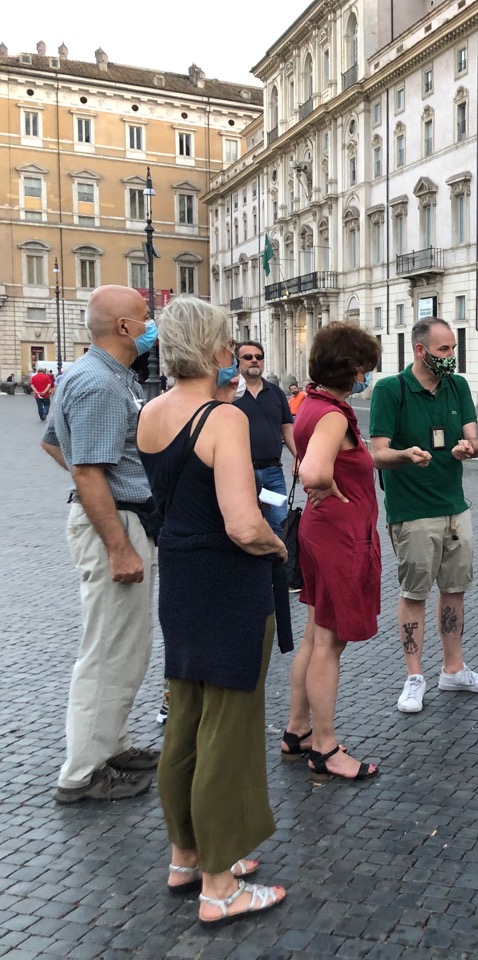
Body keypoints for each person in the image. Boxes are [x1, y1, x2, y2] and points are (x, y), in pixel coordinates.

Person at [137, 296, 288, 927]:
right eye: (230, 342)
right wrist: (279, 546)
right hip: (227, 580)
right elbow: (243, 523)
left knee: (187, 716)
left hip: (180, 578)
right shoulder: (221, 418)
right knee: (228, 727)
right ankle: (220, 886)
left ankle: (188, 854)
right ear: (218, 349)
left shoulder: (150, 412)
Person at [40, 285, 162, 804]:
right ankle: (83, 772)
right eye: (144, 315)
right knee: (108, 650)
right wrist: (117, 543)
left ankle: (111, 745)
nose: (151, 322)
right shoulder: (100, 385)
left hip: (117, 517)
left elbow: (52, 443)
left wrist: (95, 488)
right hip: (119, 525)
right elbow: (88, 468)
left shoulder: (96, 376)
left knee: (124, 647)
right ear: (125, 328)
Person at [371, 318, 478, 712]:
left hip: (455, 509)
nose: (450, 357)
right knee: (414, 593)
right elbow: (376, 451)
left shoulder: (457, 386)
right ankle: (414, 676)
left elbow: (475, 438)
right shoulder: (390, 390)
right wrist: (405, 455)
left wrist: (468, 447)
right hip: (411, 512)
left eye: (452, 349)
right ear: (419, 350)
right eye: (443, 350)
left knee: (455, 589)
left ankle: (453, 669)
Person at [282, 323, 384, 782]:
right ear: (355, 366)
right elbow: (314, 471)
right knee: (328, 643)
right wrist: (331, 489)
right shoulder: (334, 415)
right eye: (366, 367)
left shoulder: (313, 404)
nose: (367, 375)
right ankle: (324, 746)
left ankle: (298, 730)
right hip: (339, 537)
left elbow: (310, 461)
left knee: (312, 636)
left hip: (323, 533)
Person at [233, 340, 296, 534]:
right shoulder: (229, 392)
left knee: (279, 525)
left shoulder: (275, 392)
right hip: (240, 472)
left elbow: (287, 426)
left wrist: (298, 456)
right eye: (248, 357)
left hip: (272, 471)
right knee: (245, 526)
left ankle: (277, 564)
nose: (254, 361)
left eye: (258, 357)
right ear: (237, 362)